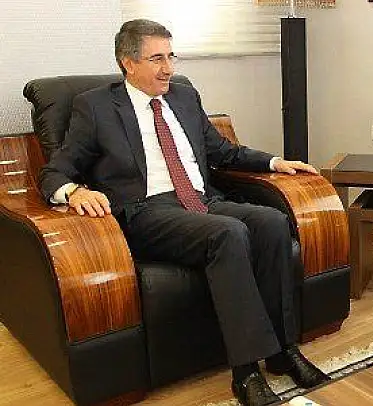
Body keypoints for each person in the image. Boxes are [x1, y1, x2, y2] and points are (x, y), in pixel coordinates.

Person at [39, 19, 330, 406]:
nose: (168, 68)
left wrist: (274, 162)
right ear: (128, 62)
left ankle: (283, 352)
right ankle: (245, 373)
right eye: (157, 59)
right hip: (146, 211)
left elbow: (223, 152)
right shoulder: (95, 107)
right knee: (227, 233)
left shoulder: (183, 96)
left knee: (272, 223)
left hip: (201, 200)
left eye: (171, 56)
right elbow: (55, 172)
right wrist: (74, 191)